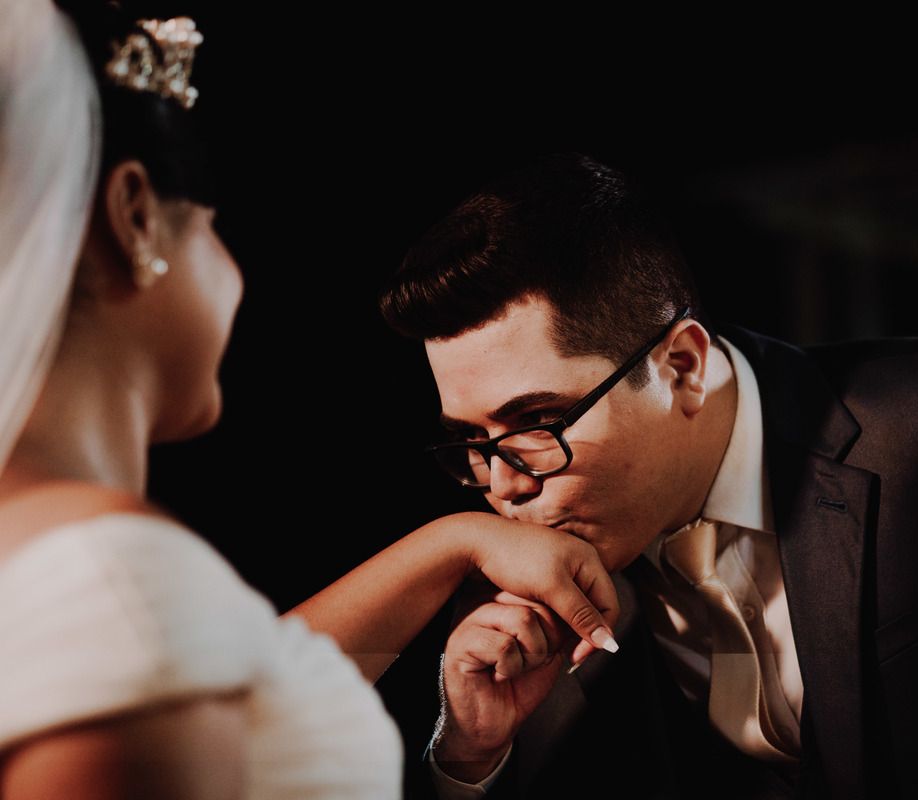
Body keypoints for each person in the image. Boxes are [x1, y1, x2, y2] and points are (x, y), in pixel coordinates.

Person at [378, 151, 918, 799]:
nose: (503, 484)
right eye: (471, 440)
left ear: (682, 366)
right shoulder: (516, 583)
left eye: (537, 423)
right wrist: (468, 756)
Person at [0, 4, 617, 798]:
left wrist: (456, 542)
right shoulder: (116, 581)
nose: (234, 276)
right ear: (136, 217)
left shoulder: (52, 561)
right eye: (211, 231)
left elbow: (246, 684)